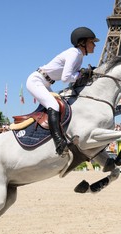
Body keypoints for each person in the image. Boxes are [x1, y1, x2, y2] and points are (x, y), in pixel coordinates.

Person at [26, 27, 99, 155]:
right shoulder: (74, 53)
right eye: (92, 42)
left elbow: (72, 77)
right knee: (54, 105)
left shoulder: (79, 56)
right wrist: (81, 74)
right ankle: (59, 142)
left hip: (45, 82)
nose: (94, 45)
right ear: (83, 42)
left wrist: (84, 75)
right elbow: (66, 78)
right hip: (36, 80)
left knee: (61, 104)